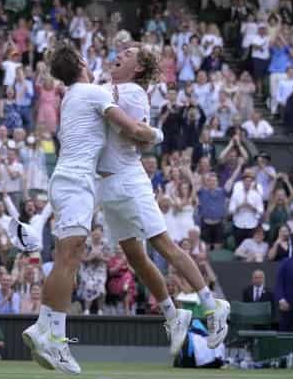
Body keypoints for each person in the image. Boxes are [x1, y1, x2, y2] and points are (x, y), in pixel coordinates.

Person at [22, 42, 161, 375]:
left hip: (69, 182)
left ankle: (44, 326)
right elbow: (133, 129)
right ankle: (53, 336)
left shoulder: (74, 94)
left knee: (67, 256)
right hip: (76, 184)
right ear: (82, 63)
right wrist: (156, 133)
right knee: (69, 258)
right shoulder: (94, 93)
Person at [97, 44, 228, 351]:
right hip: (108, 186)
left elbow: (138, 138)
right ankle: (173, 314)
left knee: (163, 245)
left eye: (128, 54)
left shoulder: (133, 93)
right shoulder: (108, 88)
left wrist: (143, 129)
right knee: (135, 258)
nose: (120, 55)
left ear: (138, 68)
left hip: (130, 180)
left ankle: (211, 304)